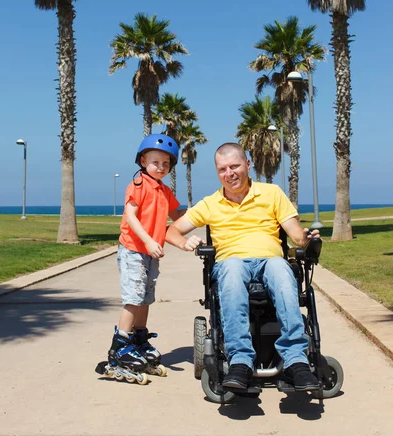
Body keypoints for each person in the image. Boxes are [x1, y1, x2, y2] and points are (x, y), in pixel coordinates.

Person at [166, 142, 321, 391]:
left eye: (235, 166)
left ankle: (296, 361)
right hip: (231, 262)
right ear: (218, 173)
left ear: (247, 165)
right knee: (233, 269)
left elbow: (295, 235)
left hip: (270, 259)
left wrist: (306, 239)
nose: (230, 173)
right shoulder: (210, 203)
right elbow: (171, 231)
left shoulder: (271, 193)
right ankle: (240, 360)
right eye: (222, 169)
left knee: (282, 270)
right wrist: (185, 242)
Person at [96, 134, 201, 381]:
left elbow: (179, 215)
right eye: (156, 162)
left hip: (150, 254)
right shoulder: (138, 185)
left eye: (166, 164)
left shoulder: (164, 190)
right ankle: (120, 347)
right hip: (134, 249)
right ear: (143, 161)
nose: (161, 167)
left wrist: (207, 213)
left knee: (145, 298)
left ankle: (139, 339)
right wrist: (148, 240)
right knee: (133, 298)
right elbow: (131, 217)